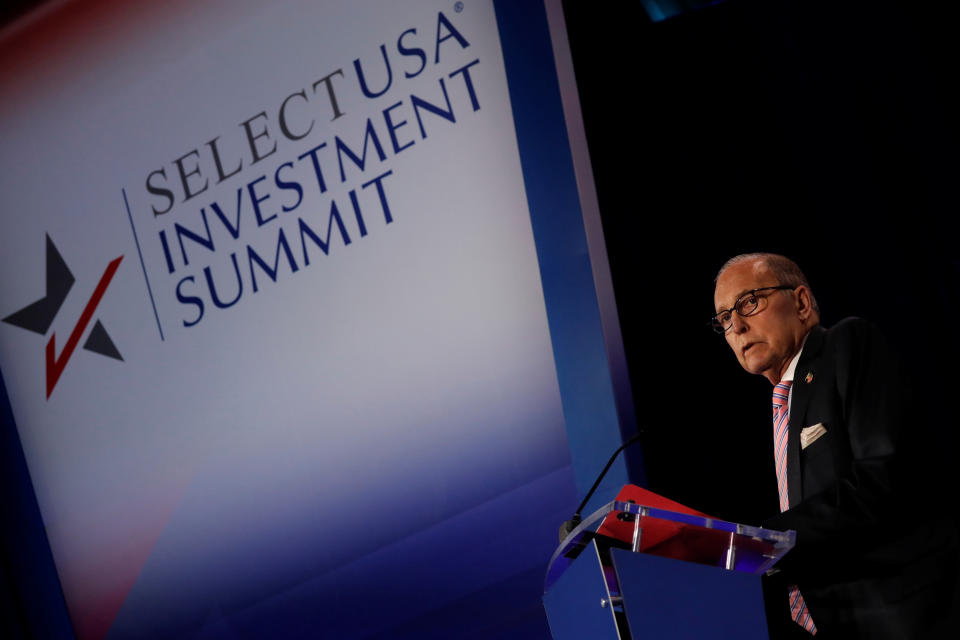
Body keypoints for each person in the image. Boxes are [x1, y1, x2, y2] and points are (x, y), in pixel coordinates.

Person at [711, 253, 958, 639]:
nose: (737, 326)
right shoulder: (783, 412)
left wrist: (765, 541)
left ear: (802, 303)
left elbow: (882, 478)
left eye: (749, 302)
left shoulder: (845, 346)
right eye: (725, 318)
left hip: (907, 616)